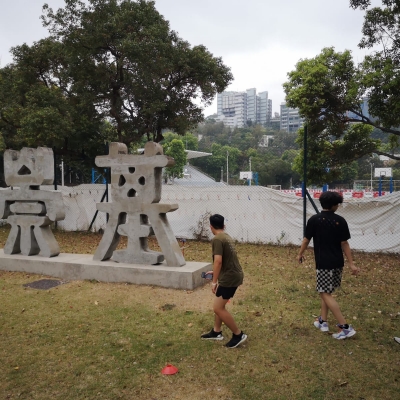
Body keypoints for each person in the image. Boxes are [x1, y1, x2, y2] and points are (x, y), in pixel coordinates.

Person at [297, 191, 360, 340]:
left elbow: (306, 240)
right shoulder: (340, 220)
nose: (338, 206)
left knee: (324, 292)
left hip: (324, 264)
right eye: (337, 204)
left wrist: (299, 254)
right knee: (326, 291)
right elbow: (344, 243)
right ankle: (322, 322)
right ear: (333, 205)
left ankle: (344, 327)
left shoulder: (314, 220)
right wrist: (351, 263)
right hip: (338, 262)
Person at [201, 214, 247, 348]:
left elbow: (218, 261)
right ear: (223, 225)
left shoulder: (217, 239)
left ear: (211, 227)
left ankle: (238, 334)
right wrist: (215, 273)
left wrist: (214, 281)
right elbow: (227, 260)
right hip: (232, 275)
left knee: (217, 307)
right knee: (219, 304)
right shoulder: (227, 237)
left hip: (230, 278)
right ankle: (216, 332)